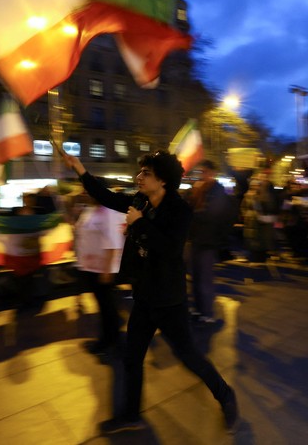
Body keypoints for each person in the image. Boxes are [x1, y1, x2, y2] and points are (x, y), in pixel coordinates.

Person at [60, 149, 239, 434]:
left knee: (189, 356)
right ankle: (131, 415)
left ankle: (225, 395)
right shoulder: (140, 200)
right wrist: (79, 168)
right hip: (143, 296)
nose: (138, 177)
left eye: (146, 174)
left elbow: (169, 249)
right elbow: (106, 196)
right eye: (140, 172)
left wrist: (138, 224)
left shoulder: (179, 211)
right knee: (132, 358)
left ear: (163, 181)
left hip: (169, 300)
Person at [73, 190, 126, 355]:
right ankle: (111, 337)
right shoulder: (90, 210)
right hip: (89, 267)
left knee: (106, 306)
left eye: (89, 190)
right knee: (104, 305)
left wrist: (107, 270)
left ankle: (109, 341)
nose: (86, 194)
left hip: (101, 269)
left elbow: (113, 241)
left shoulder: (108, 212)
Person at [186, 159, 234, 323]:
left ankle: (207, 313)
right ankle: (198, 309)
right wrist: (193, 194)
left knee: (205, 278)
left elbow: (212, 215)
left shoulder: (218, 191)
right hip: (196, 239)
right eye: (200, 172)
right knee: (195, 276)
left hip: (208, 241)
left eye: (204, 172)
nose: (201, 175)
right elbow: (190, 208)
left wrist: (194, 214)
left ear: (212, 173)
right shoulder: (199, 190)